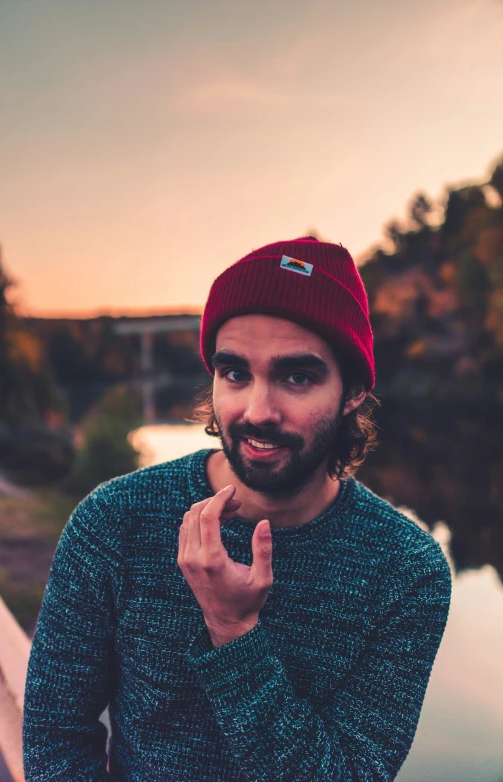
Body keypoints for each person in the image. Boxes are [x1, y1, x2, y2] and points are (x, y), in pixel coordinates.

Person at [22, 236, 451, 781]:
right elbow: (55, 735)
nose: (257, 410)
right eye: (235, 373)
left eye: (297, 376)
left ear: (352, 393)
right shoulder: (114, 520)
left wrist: (233, 628)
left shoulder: (405, 570)